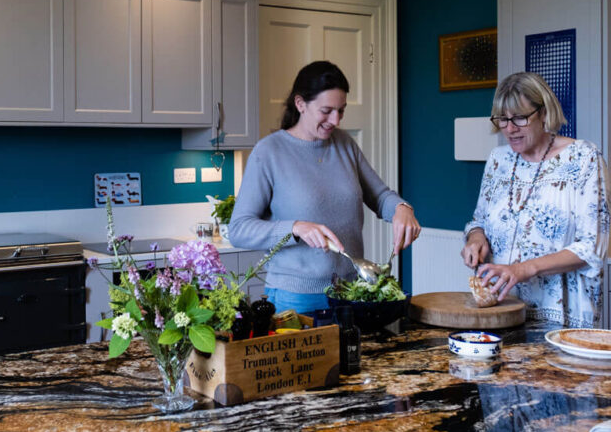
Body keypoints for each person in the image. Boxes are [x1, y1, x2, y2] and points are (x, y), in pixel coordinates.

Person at [229, 61, 421, 314]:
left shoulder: (344, 144)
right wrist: (295, 228)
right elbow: (239, 229)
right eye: (327, 110)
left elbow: (380, 195)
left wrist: (401, 208)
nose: (335, 120)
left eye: (341, 111)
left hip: (350, 293)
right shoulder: (269, 152)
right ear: (300, 104)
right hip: (296, 299)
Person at [462, 71, 610, 328]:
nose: (509, 129)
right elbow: (479, 221)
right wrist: (475, 238)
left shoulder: (584, 158)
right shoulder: (498, 160)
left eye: (519, 118)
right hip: (500, 311)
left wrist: (523, 269)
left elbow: (594, 246)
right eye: (502, 119)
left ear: (543, 112)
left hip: (561, 318)